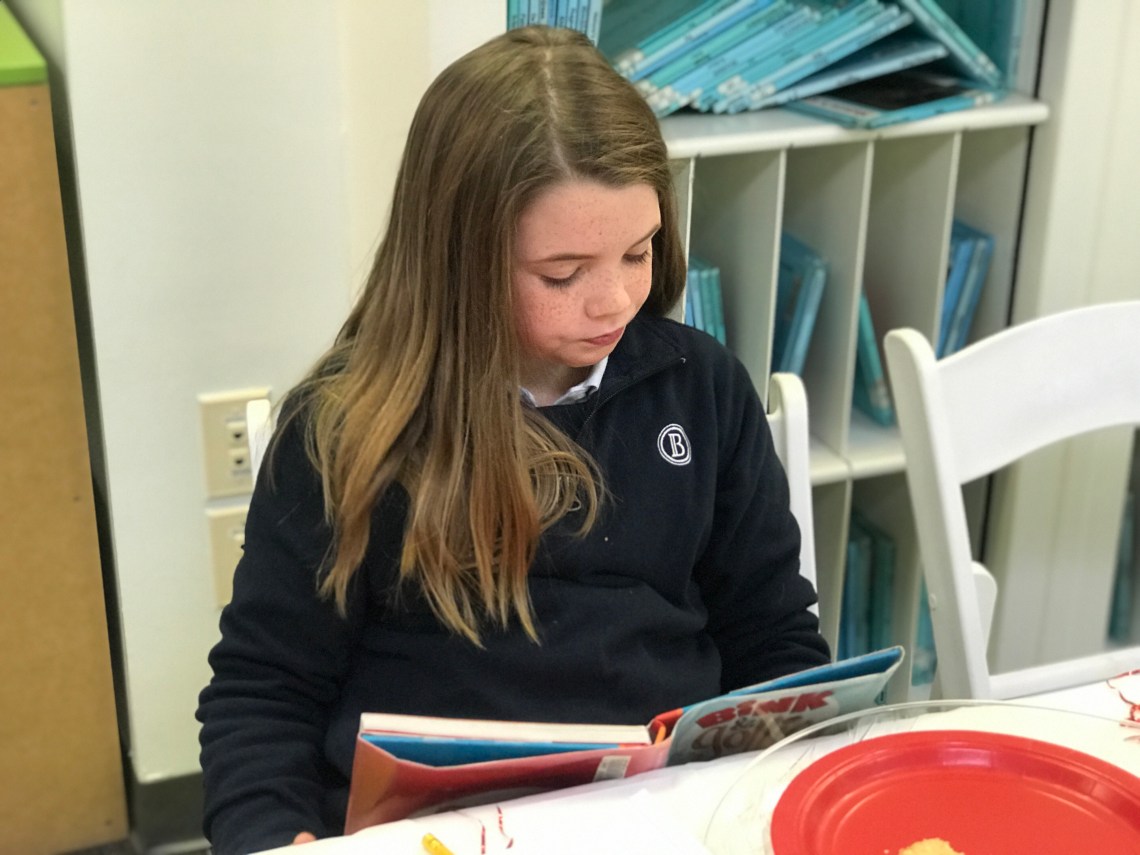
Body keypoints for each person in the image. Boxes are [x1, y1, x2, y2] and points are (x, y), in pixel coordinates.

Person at [196, 24, 829, 855]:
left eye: (637, 252)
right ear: (456, 263)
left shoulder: (700, 387)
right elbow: (263, 690)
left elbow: (773, 638)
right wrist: (279, 836)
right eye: (562, 274)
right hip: (432, 832)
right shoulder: (346, 428)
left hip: (661, 813)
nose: (614, 301)